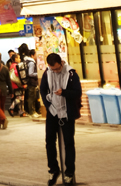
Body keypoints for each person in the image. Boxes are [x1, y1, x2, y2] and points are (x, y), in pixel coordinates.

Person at [40, 53, 82, 186]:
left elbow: (78, 92)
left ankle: (69, 172)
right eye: (53, 69)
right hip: (52, 111)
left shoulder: (71, 74)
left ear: (61, 63)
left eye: (58, 69)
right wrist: (48, 106)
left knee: (69, 142)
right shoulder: (47, 74)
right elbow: (42, 90)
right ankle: (53, 170)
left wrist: (63, 92)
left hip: (67, 112)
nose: (56, 71)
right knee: (49, 141)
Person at [24, 50, 41, 120]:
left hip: (31, 82)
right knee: (31, 97)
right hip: (31, 82)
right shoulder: (31, 63)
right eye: (36, 54)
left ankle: (32, 111)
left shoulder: (28, 61)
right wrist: (39, 74)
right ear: (32, 55)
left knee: (32, 97)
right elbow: (30, 73)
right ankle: (31, 112)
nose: (37, 56)